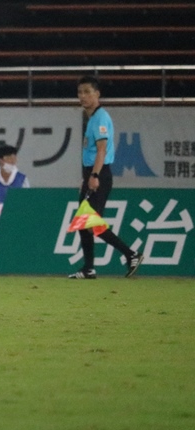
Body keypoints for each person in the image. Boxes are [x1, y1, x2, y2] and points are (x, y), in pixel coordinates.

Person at [68, 76, 143, 279]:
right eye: (80, 92)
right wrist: (86, 177)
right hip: (91, 173)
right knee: (84, 223)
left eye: (87, 92)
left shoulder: (101, 118)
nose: (82, 96)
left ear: (97, 94)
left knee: (90, 222)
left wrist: (94, 175)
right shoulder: (92, 118)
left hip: (100, 174)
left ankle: (131, 254)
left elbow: (101, 150)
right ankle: (89, 268)